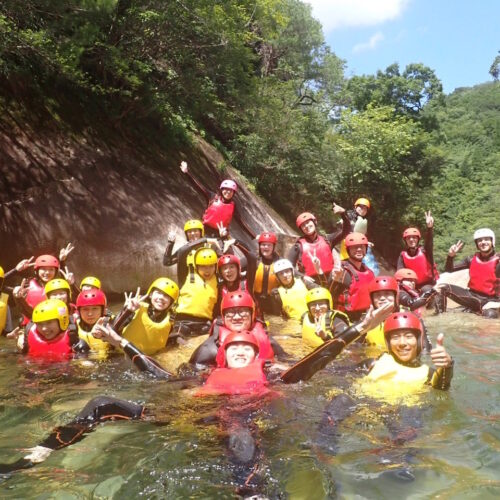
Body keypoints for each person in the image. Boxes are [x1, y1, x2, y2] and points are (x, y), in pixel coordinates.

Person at [317, 311, 453, 479]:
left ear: (419, 340)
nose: (402, 343)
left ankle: (402, 460)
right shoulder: (373, 363)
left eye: (408, 336)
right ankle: (322, 449)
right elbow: (333, 372)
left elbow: (443, 387)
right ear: (388, 342)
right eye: (395, 337)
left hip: (398, 417)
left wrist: (447, 365)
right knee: (341, 399)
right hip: (363, 408)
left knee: (410, 409)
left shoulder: (430, 374)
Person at [189, 290, 284, 367]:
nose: (237, 317)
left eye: (242, 311)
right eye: (230, 313)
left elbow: (287, 361)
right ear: (223, 317)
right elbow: (189, 378)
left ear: (253, 315)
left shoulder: (268, 341)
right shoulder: (210, 348)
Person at [179, 161, 256, 239]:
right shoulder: (213, 197)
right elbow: (198, 186)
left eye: (231, 190)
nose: (228, 192)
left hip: (221, 234)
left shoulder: (233, 206)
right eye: (226, 189)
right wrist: (187, 173)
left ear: (233, 193)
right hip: (204, 229)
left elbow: (241, 222)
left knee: (227, 250)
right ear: (221, 190)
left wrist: (254, 236)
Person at [438, 228, 500, 318]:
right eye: (480, 240)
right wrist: (450, 256)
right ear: (477, 244)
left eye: (486, 239)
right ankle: (440, 317)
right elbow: (449, 270)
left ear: (492, 241)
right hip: (472, 296)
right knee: (443, 288)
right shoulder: (470, 259)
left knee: (491, 315)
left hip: (490, 300)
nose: (483, 242)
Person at [113, 278, 179, 355]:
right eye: (158, 293)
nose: (161, 297)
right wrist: (127, 311)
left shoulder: (170, 319)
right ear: (150, 295)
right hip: (122, 355)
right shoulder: (135, 309)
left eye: (167, 296)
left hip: (147, 360)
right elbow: (113, 330)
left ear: (171, 302)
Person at [288, 206, 350, 283]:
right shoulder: (298, 246)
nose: (306, 226)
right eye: (303, 225)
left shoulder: (328, 239)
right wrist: (302, 276)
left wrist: (343, 214)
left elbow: (346, 231)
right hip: (311, 283)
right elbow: (289, 266)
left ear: (314, 222)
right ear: (301, 229)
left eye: (308, 222)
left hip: (330, 279)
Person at [232, 231, 281, 315]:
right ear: (259, 246)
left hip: (272, 302)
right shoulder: (253, 259)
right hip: (255, 299)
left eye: (269, 245)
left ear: (273, 247)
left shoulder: (279, 262)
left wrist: (304, 277)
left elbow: (292, 273)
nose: (266, 247)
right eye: (263, 244)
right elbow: (235, 266)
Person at [397, 212, 440, 306]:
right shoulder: (402, 255)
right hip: (411, 286)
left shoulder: (426, 250)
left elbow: (429, 241)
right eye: (409, 238)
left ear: (418, 239)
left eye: (414, 238)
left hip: (428, 284)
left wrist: (429, 228)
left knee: (426, 291)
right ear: (405, 241)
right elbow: (399, 274)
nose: (411, 240)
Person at [174, 248, 218, 338]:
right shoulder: (186, 275)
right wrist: (205, 240)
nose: (207, 270)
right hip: (183, 320)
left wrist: (235, 242)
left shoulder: (218, 280)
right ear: (196, 266)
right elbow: (182, 252)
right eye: (203, 266)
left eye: (211, 266)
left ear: (216, 266)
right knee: (177, 342)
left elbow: (248, 261)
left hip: (204, 323)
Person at [330, 232, 375, 322]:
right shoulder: (342, 271)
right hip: (344, 319)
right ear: (348, 250)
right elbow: (329, 294)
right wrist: (334, 280)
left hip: (364, 317)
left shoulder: (369, 272)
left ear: (366, 249)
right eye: (354, 247)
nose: (359, 250)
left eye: (362, 247)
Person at [163, 219, 222, 286]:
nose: (193, 233)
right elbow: (167, 262)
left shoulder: (211, 246)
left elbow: (223, 260)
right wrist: (170, 243)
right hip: (190, 287)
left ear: (201, 232)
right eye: (190, 232)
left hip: (210, 284)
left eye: (195, 231)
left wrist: (225, 237)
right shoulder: (185, 249)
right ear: (186, 235)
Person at [341, 197, 379, 275]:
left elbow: (362, 235)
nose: (363, 210)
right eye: (361, 207)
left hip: (358, 244)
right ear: (355, 207)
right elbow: (342, 226)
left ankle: (371, 277)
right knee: (346, 265)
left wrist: (366, 242)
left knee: (370, 263)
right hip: (347, 244)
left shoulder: (362, 221)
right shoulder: (348, 215)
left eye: (365, 209)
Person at [74, 289, 112, 356]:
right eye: (85, 309)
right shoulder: (73, 328)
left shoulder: (111, 323)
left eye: (95, 309)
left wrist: (128, 311)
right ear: (79, 311)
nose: (90, 314)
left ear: (102, 310)